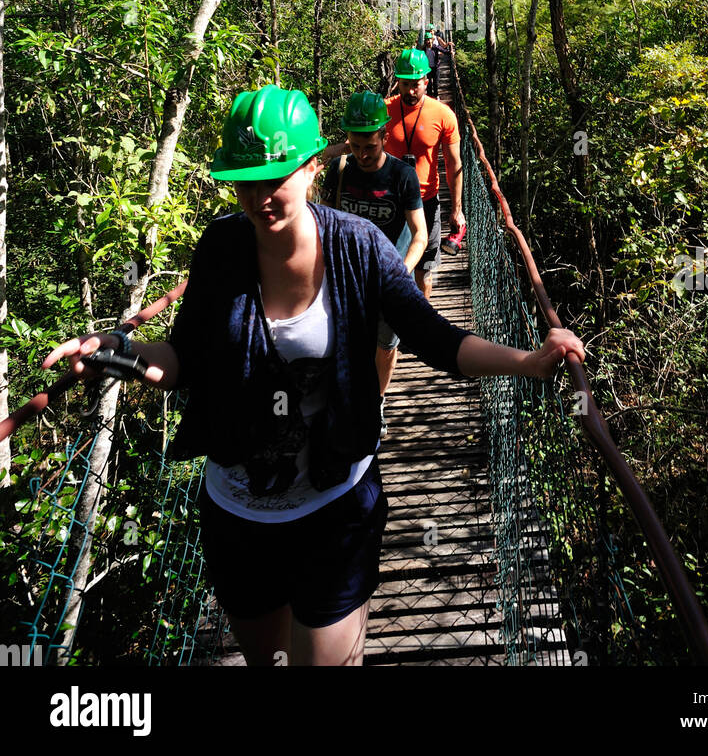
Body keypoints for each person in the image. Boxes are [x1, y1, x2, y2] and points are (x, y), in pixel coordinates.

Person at [43, 84, 585, 668]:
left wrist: (528, 361)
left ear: (311, 169)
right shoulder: (220, 248)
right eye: (245, 179)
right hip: (239, 515)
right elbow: (182, 357)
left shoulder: (359, 247)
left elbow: (438, 339)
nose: (259, 196)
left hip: (336, 508)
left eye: (276, 175)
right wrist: (120, 352)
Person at [320, 89, 427, 429]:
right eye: (355, 146)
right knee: (346, 344)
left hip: (389, 279)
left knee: (385, 346)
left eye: (371, 146)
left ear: (385, 135)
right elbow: (323, 222)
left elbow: (420, 234)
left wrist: (399, 274)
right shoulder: (339, 172)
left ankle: (377, 401)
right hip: (346, 280)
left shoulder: (402, 176)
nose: (363, 155)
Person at [384, 47, 464, 300]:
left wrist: (457, 209)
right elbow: (359, 145)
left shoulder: (443, 115)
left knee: (424, 272)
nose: (410, 91)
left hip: (426, 202)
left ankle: (421, 329)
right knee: (390, 267)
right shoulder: (383, 111)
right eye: (405, 84)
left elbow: (453, 163)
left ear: (426, 82)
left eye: (416, 84)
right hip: (389, 202)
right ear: (398, 81)